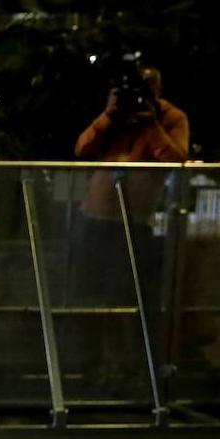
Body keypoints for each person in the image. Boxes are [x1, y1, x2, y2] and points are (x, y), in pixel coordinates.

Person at [68, 65, 189, 374]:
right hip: (94, 217)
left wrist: (151, 126)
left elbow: (176, 160)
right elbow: (82, 148)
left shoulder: (171, 118)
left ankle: (129, 366)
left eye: (146, 88)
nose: (138, 96)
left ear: (158, 90)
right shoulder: (115, 117)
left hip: (134, 223)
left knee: (127, 296)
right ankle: (85, 362)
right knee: (85, 294)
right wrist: (109, 115)